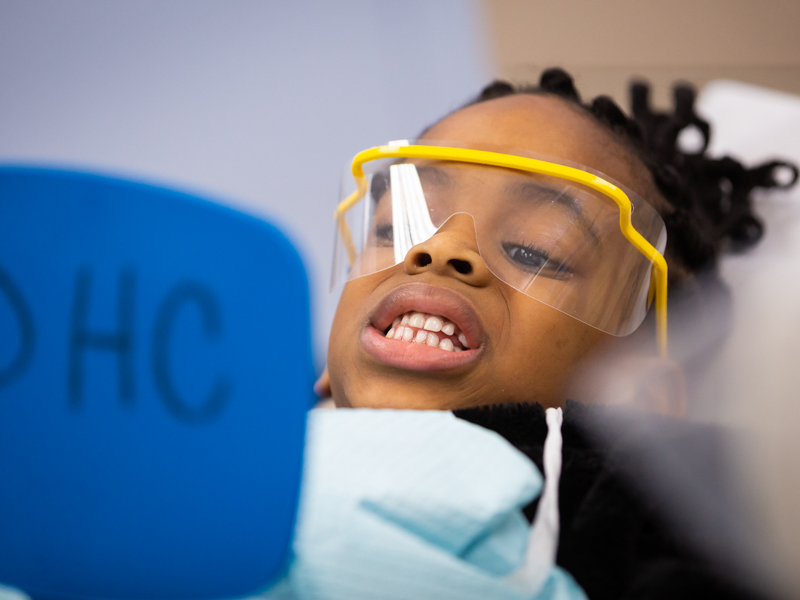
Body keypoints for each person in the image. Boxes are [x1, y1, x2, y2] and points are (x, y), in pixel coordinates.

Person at [312, 69, 798, 598]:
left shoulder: (639, 527)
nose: (440, 249)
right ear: (325, 374)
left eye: (532, 250)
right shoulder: (239, 450)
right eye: (395, 230)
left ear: (641, 395)